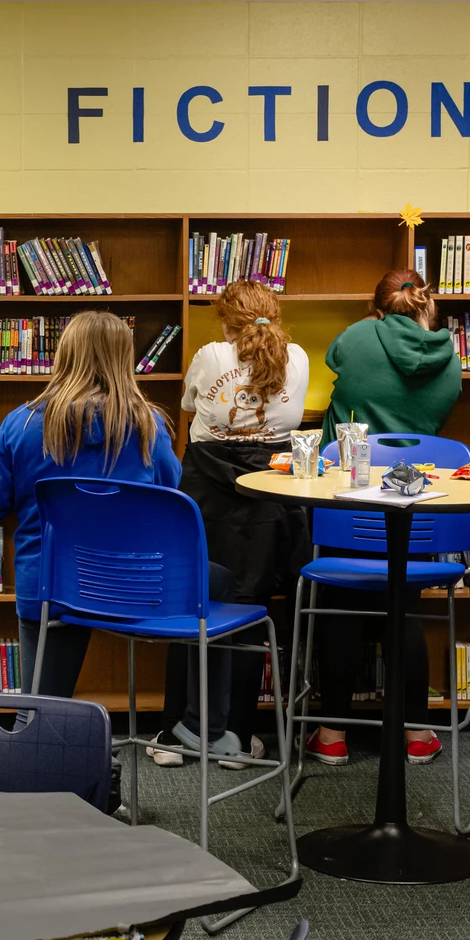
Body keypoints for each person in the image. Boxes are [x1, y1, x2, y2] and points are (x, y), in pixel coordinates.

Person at [0, 313, 193, 699]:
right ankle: (203, 726)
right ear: (123, 360)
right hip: (132, 586)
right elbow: (169, 494)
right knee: (223, 581)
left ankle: (44, 738)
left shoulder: (21, 425)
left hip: (50, 585)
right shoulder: (149, 427)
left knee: (41, 701)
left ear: (63, 355)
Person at [152, 280, 311, 769]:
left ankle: (177, 737)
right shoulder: (299, 357)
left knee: (191, 603)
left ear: (226, 319)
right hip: (268, 494)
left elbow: (185, 408)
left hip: (206, 493)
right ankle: (237, 740)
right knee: (248, 609)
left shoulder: (210, 355)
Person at [309, 269, 463, 766]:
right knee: (403, 603)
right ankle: (416, 732)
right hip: (414, 500)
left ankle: (331, 733)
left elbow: (336, 367)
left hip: (348, 496)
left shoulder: (356, 336)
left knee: (341, 602)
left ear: (378, 308)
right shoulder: (449, 352)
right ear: (428, 306)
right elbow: (439, 417)